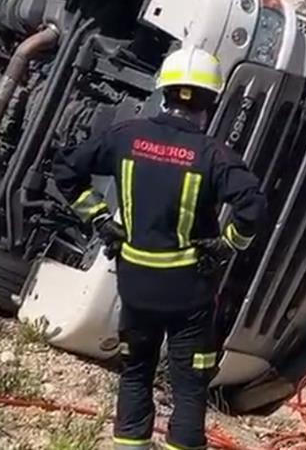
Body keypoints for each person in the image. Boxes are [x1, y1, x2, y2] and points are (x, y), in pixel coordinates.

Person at [52, 46, 268, 450]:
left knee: (136, 372)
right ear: (211, 102)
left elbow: (66, 169)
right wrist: (228, 245)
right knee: (189, 385)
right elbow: (253, 204)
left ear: (164, 93)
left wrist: (100, 219)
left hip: (136, 285)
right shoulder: (212, 155)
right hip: (189, 292)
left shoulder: (126, 136)